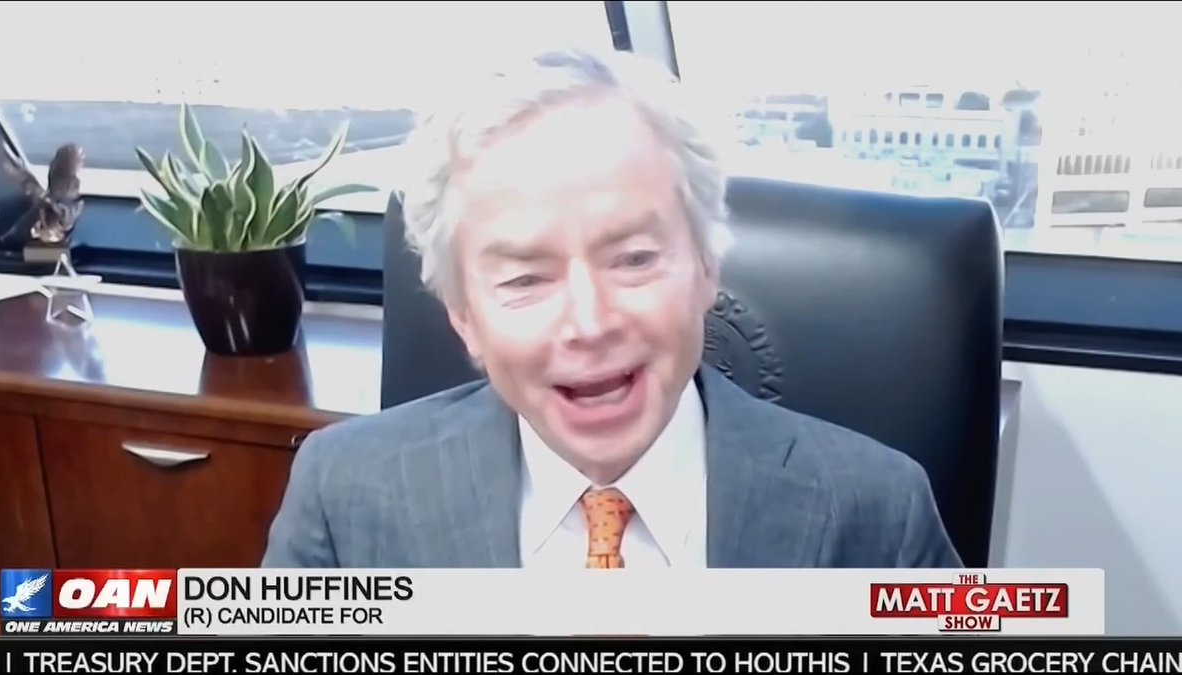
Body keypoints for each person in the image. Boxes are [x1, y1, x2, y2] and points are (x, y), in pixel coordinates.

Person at [262, 47, 962, 569]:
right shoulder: (344, 495)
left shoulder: (879, 513)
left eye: (633, 260)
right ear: (463, 316)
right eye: (525, 279)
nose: (590, 324)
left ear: (706, 266)